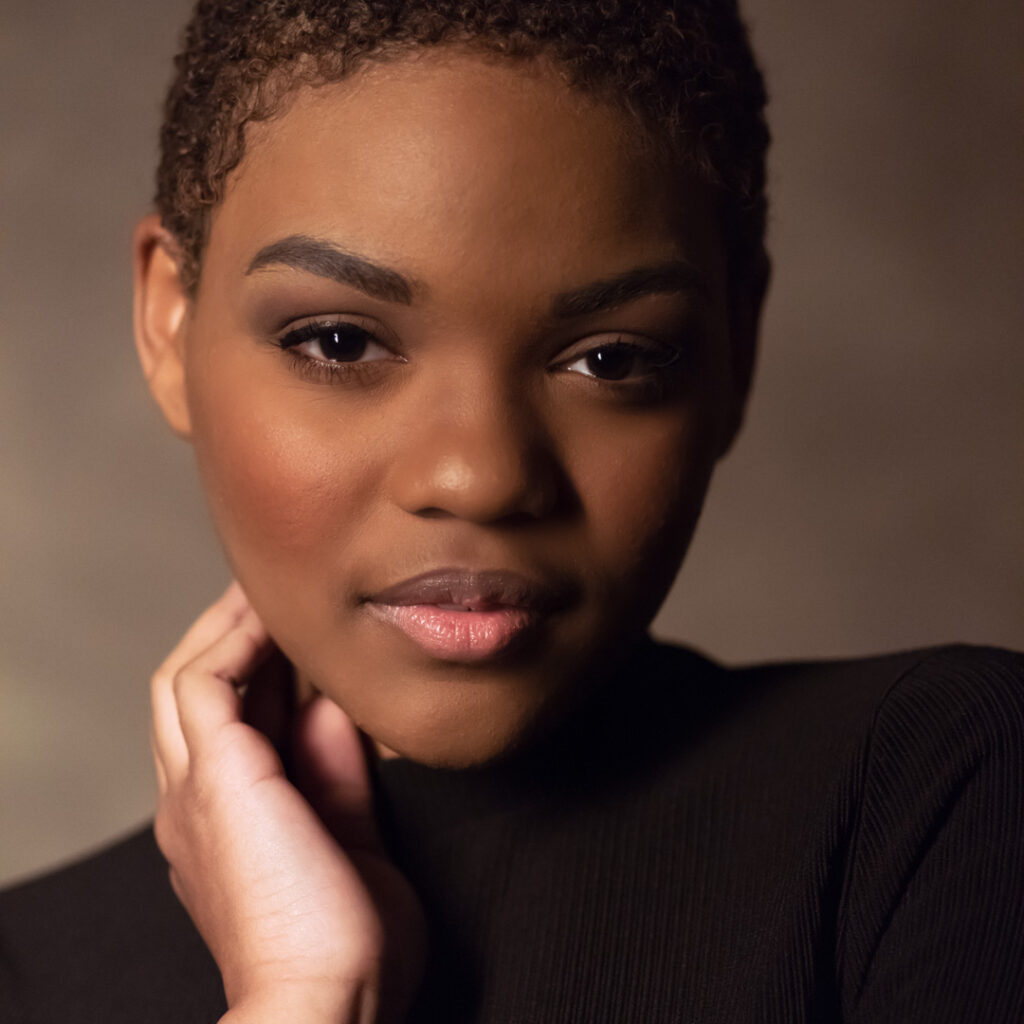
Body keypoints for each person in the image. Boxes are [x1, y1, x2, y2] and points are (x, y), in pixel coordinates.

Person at [1, 1, 1022, 1022]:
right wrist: (304, 999)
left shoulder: (937, 806)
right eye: (342, 343)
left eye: (610, 360)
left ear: (736, 349)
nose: (481, 475)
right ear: (168, 325)